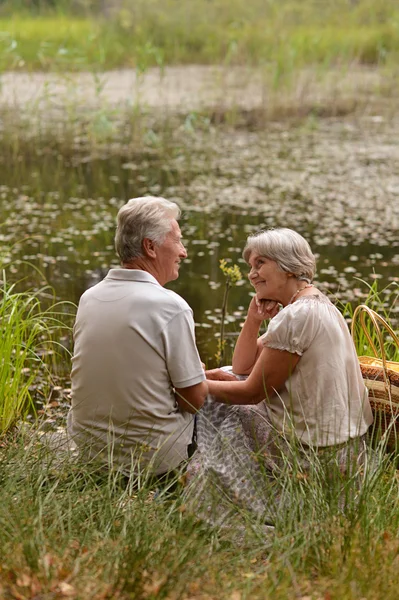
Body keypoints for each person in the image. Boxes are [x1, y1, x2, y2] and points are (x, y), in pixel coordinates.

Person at [187, 228, 373, 521]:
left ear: (288, 266)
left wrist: (190, 386)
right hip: (346, 450)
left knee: (219, 405)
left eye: (260, 263)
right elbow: (241, 367)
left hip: (315, 453)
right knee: (224, 376)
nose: (252, 274)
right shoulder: (318, 305)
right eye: (251, 266)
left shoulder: (297, 316)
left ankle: (226, 502)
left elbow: (251, 391)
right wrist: (253, 318)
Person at [68, 196, 208, 477]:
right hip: (153, 460)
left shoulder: (89, 298)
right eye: (178, 240)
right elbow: (193, 400)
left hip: (91, 453)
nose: (184, 252)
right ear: (150, 247)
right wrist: (200, 377)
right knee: (227, 414)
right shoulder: (171, 306)